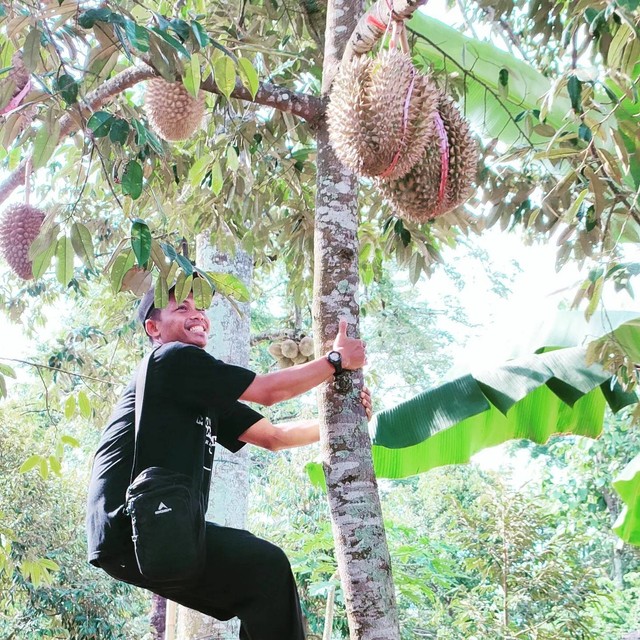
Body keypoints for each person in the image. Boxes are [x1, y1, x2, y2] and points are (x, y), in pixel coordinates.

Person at [86, 286, 369, 640]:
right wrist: (335, 361)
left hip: (154, 528)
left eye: (200, 308)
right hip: (129, 525)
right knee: (266, 569)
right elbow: (268, 391)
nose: (197, 315)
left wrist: (346, 420)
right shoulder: (171, 359)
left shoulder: (195, 388)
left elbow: (274, 437)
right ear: (153, 329)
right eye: (182, 308)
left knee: (260, 584)